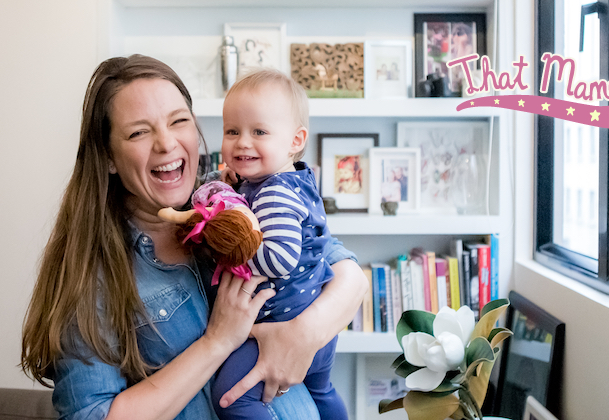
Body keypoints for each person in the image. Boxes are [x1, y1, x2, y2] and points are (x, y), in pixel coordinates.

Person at [19, 55, 367, 420]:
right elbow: (92, 415)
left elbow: (350, 275)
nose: (166, 143)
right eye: (139, 132)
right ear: (108, 157)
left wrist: (301, 336)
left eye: (178, 121)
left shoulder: (231, 204)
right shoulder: (91, 274)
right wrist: (217, 342)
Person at [210, 68, 347, 420]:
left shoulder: (274, 193)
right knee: (322, 391)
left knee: (230, 397)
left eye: (259, 132)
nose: (242, 142)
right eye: (232, 131)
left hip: (285, 324)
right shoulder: (289, 179)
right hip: (311, 320)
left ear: (295, 140)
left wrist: (229, 253)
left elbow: (279, 258)